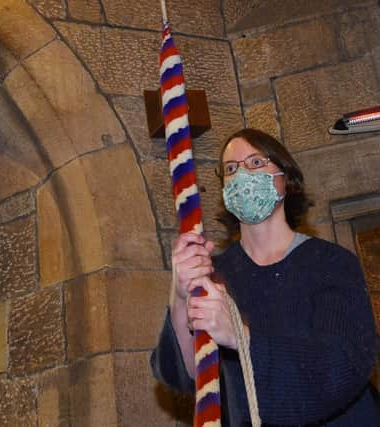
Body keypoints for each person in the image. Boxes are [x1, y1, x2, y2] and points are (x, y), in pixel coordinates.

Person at [150, 128, 380, 426]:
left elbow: (342, 366)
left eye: (256, 163)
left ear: (286, 177)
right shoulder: (216, 273)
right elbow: (187, 376)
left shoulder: (331, 263)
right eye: (231, 169)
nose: (242, 174)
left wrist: (241, 337)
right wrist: (180, 296)